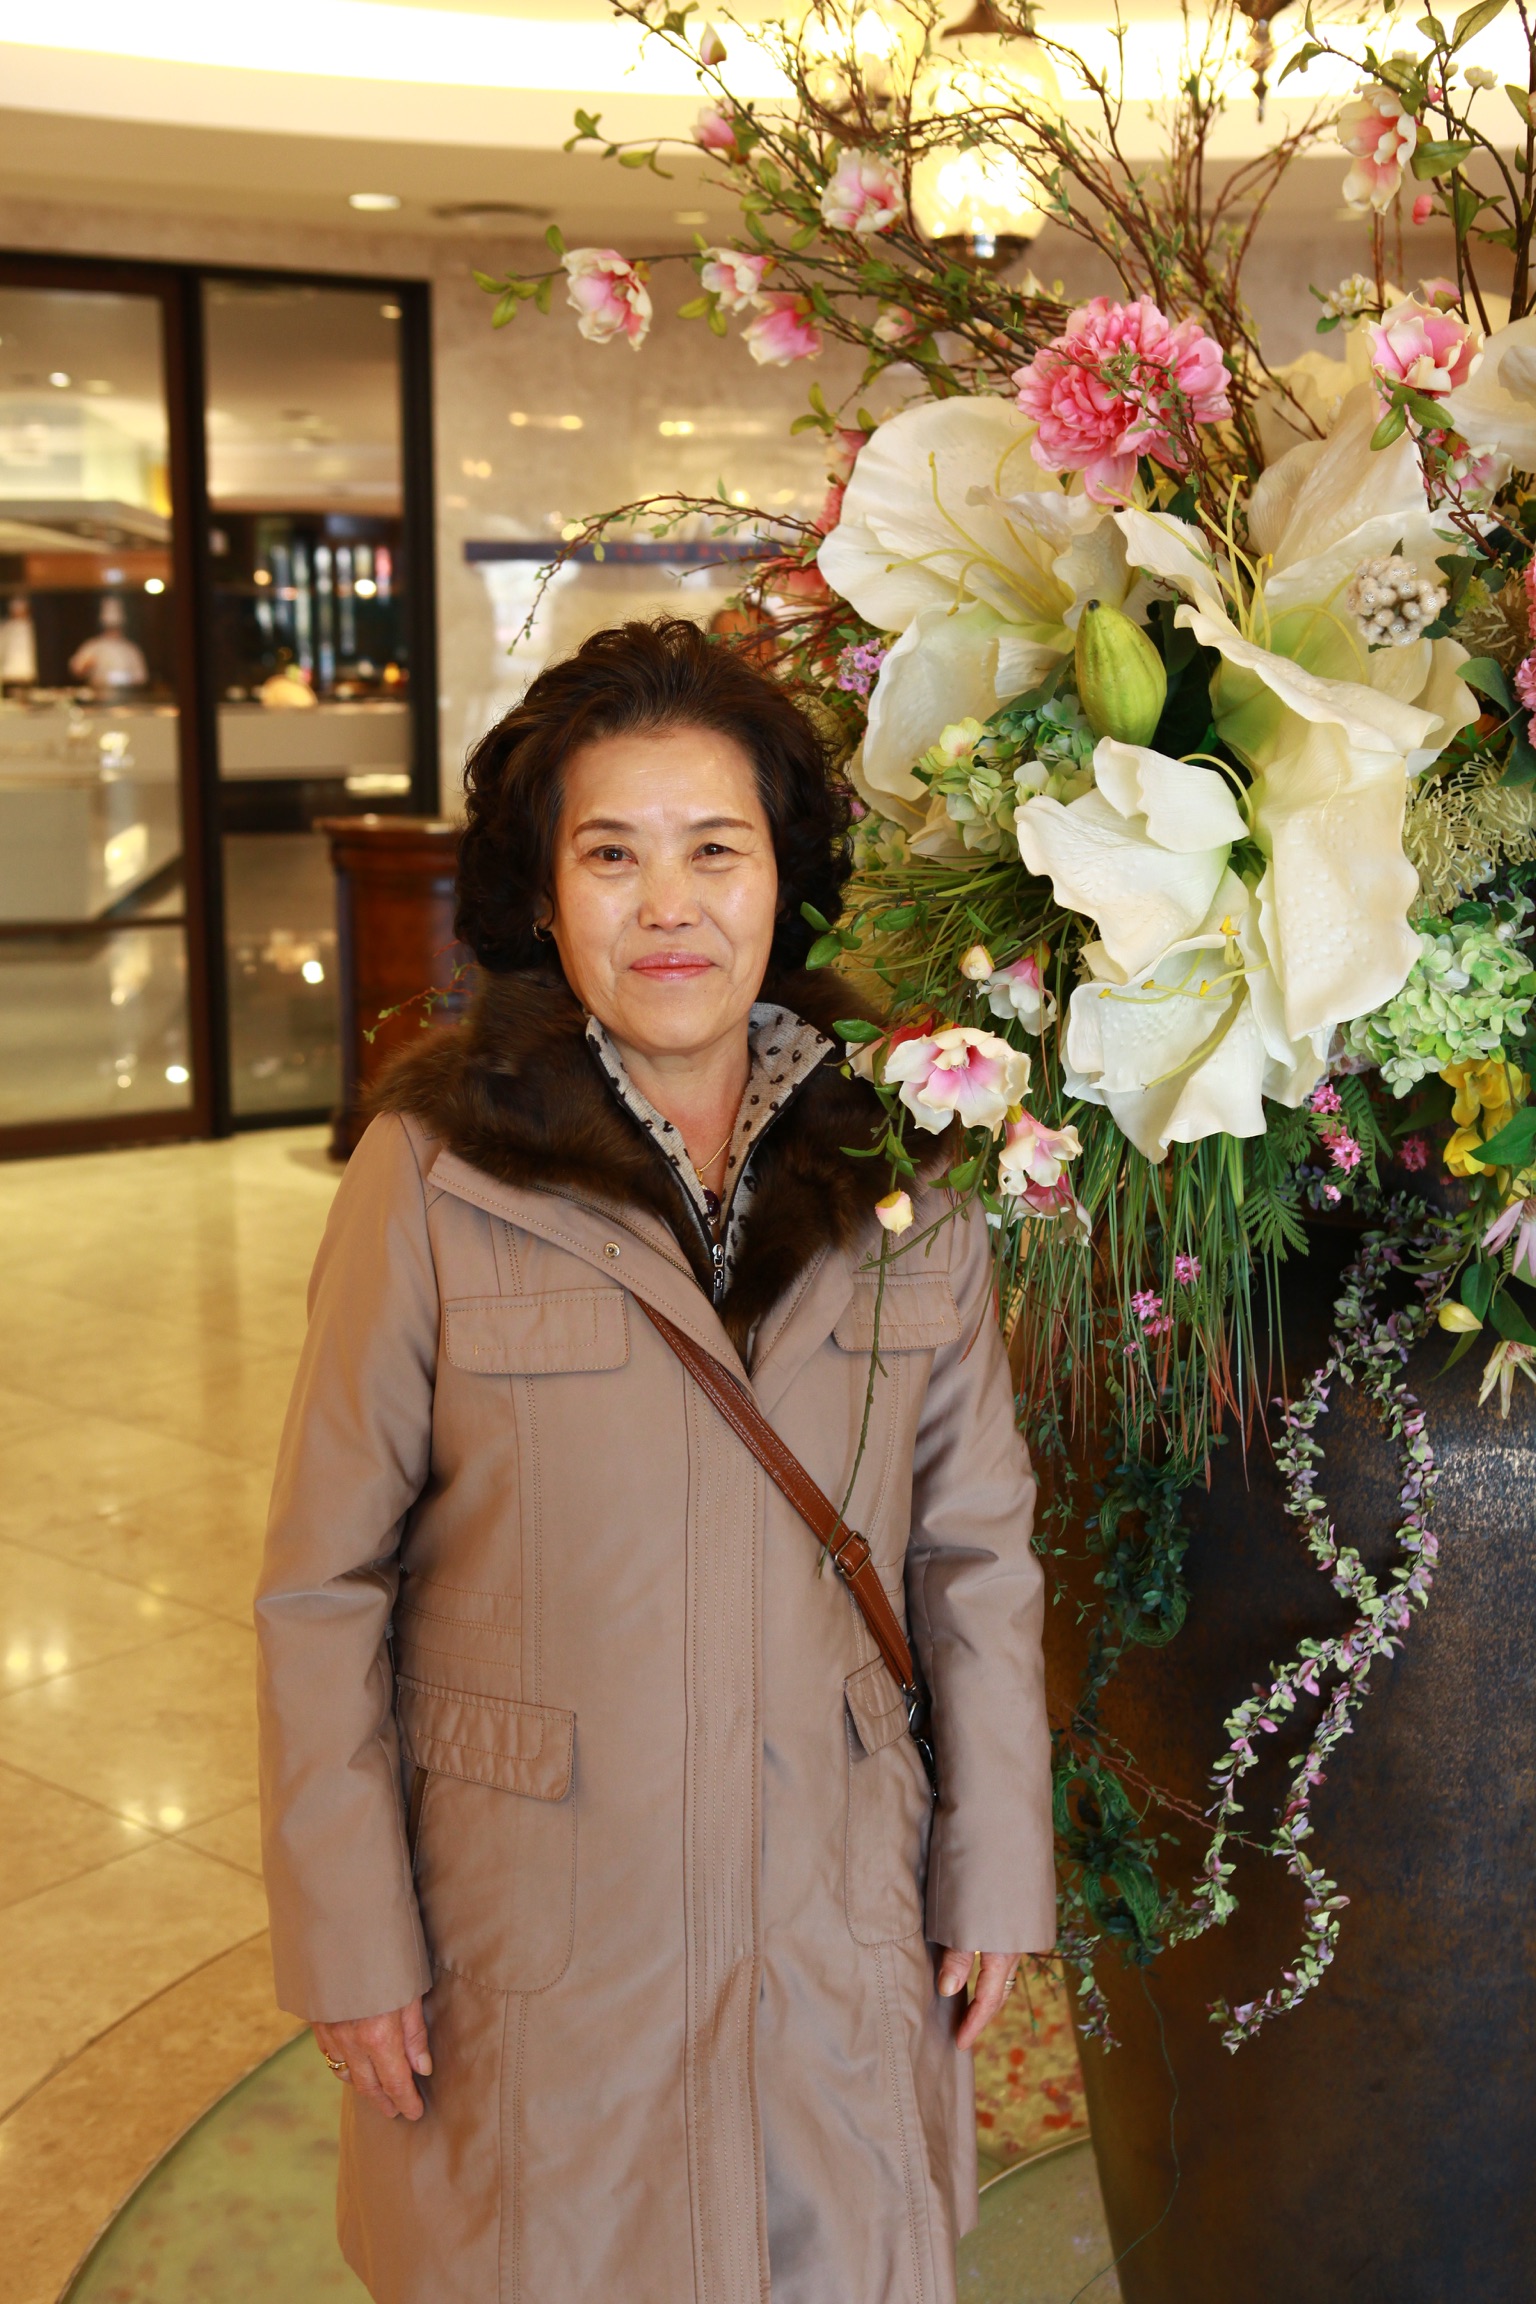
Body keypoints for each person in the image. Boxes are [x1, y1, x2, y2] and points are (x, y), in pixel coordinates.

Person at [256, 617, 1054, 2304]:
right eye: (612, 855)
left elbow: (975, 1553)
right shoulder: (435, 1171)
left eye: (716, 849)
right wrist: (348, 1935)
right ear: (546, 900)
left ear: (784, 880)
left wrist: (993, 1868)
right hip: (539, 1929)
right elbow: (324, 1583)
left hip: (832, 1908)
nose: (669, 905)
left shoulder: (909, 1172)